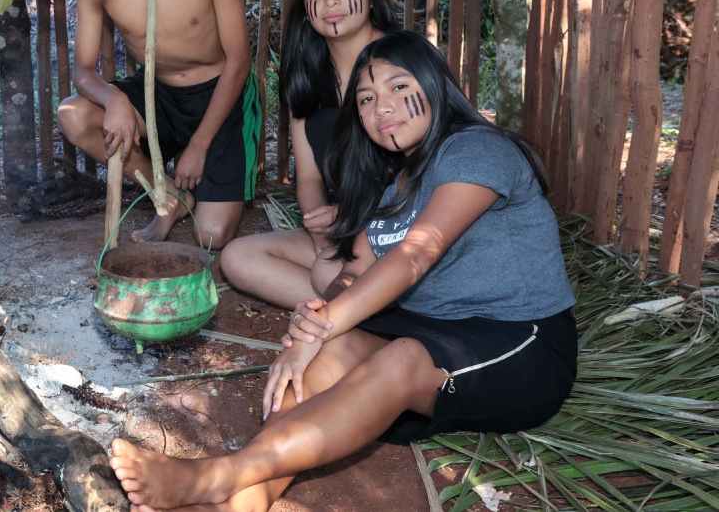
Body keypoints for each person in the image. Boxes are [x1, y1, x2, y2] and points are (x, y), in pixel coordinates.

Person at [109, 31, 578, 512]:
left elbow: (416, 255)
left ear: (436, 84)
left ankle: (219, 475)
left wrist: (322, 325)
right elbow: (355, 271)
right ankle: (245, 501)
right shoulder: (397, 186)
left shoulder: (476, 149)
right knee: (323, 353)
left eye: (399, 87)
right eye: (367, 99)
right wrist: (314, 322)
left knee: (400, 357)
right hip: (437, 333)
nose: (383, 108)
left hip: (521, 345)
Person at [57, 0, 256, 249]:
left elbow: (239, 61)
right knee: (75, 116)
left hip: (218, 93)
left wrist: (199, 146)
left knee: (211, 237)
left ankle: (201, 187)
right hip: (155, 95)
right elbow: (82, 71)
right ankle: (166, 195)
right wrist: (113, 98)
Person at [219, 0, 397, 308]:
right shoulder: (307, 73)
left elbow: (429, 175)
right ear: (306, 7)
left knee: (326, 275)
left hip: (400, 232)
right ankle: (360, 317)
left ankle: (355, 313)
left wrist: (354, 220)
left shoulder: (403, 63)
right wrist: (322, 237)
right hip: (342, 230)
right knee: (237, 258)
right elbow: (310, 180)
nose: (331, 1)